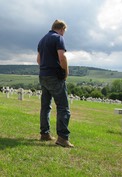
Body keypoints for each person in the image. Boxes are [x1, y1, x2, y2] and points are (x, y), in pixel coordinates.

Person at [37, 19, 74, 148]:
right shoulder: (58, 38)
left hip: (43, 75)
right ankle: (63, 138)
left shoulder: (42, 40)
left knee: (45, 106)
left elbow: (38, 60)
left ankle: (45, 133)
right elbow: (62, 57)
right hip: (55, 77)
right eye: (64, 31)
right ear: (62, 28)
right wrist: (66, 72)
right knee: (63, 107)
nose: (64, 34)